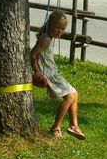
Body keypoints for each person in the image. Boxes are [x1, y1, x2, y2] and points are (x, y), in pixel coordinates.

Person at [30, 10, 86, 140]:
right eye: (57, 27)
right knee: (70, 97)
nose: (60, 31)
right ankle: (55, 128)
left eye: (62, 29)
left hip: (52, 73)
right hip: (49, 75)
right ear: (49, 24)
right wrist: (37, 71)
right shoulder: (46, 39)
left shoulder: (47, 38)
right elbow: (32, 55)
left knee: (75, 94)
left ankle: (74, 126)